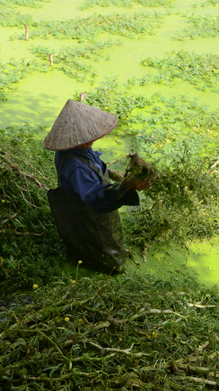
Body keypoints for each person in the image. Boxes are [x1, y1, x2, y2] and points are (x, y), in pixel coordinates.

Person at [44, 99, 151, 273]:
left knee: (106, 235)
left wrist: (115, 175)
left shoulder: (76, 148)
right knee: (104, 249)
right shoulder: (74, 167)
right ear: (73, 139)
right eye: (85, 137)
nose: (92, 139)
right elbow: (95, 197)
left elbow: (93, 167)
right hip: (88, 211)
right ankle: (108, 264)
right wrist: (127, 185)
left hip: (86, 203)